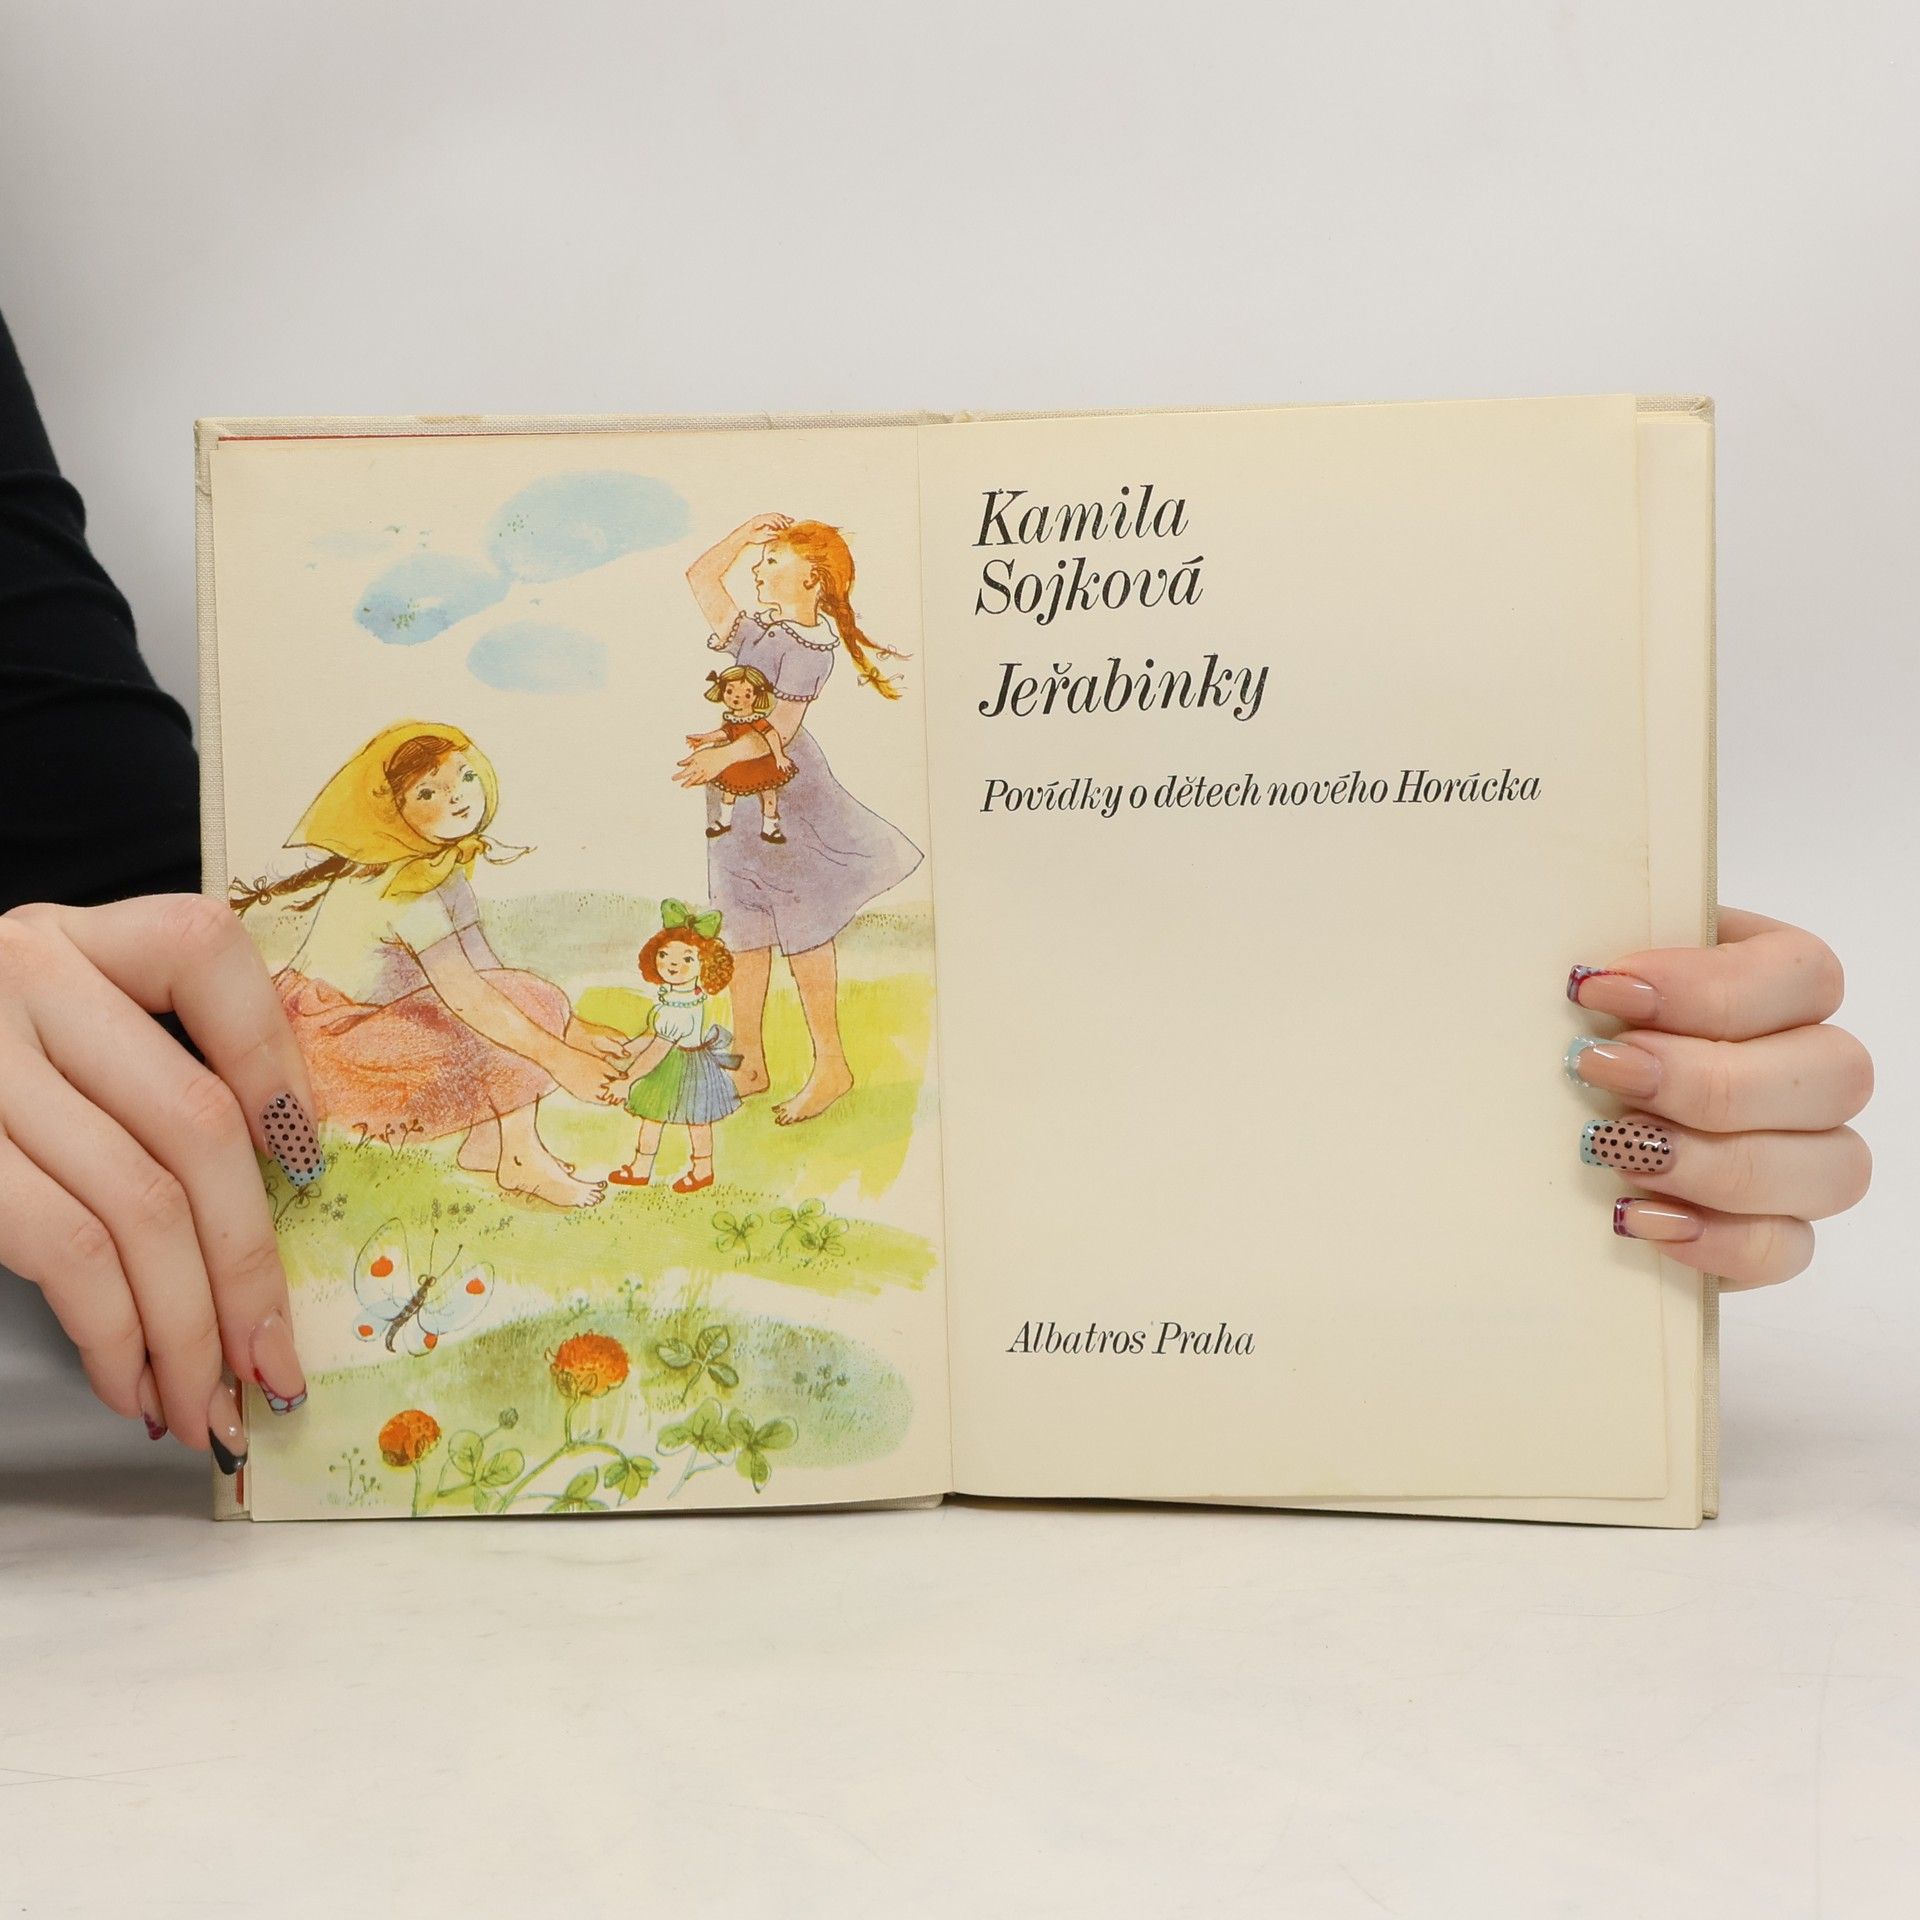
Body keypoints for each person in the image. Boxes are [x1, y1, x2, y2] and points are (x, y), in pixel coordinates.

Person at [0, 310, 1876, 1473]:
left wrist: (1489, 936)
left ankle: (753, 1090)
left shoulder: (786, 654)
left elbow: (121, 919)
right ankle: (710, 1098)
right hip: (724, 849)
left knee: (773, 970)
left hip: (766, 836)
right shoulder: (736, 645)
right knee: (728, 977)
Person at [230, 719, 626, 1209]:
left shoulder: (437, 871)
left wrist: (574, 1028)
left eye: (465, 776)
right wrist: (563, 1059)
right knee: (515, 1006)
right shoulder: (408, 886)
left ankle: (487, 1145)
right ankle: (520, 1158)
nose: (457, 797)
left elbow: (489, 973)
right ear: (391, 812)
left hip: (366, 1035)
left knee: (531, 995)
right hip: (332, 1052)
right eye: (426, 793)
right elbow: (471, 996)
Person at [675, 514, 923, 1124]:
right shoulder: (756, 633)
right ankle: (749, 1061)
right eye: (760, 561)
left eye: (772, 561)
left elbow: (781, 730)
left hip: (785, 791)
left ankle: (831, 1065)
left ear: (813, 578)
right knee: (743, 919)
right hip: (735, 792)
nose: (757, 570)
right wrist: (743, 535)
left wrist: (721, 756)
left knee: (801, 922)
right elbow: (701, 577)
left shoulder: (809, 649)